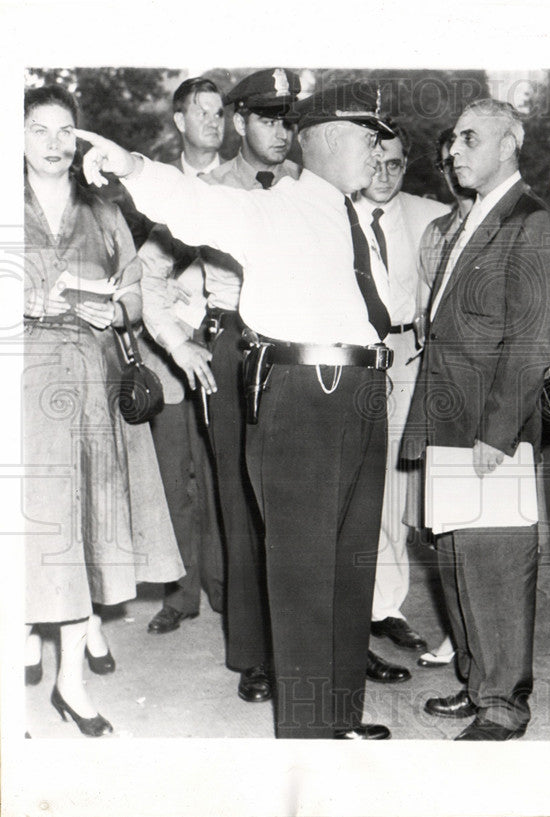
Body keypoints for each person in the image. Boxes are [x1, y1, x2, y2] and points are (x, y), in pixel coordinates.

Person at [77, 79, 398, 741]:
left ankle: (340, 717)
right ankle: (308, 738)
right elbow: (194, 205)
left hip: (361, 391)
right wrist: (133, 167)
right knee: (306, 574)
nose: (379, 149)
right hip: (308, 395)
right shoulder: (276, 206)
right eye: (369, 137)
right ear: (330, 137)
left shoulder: (347, 211)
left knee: (348, 567)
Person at [22, 85, 182, 736]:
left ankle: (70, 683)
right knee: (25, 533)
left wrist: (113, 309)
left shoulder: (104, 207)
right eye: (39, 130)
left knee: (79, 528)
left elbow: (136, 292)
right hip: (19, 380)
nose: (56, 144)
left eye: (67, 131)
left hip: (89, 378)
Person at [401, 99, 550, 740]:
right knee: (457, 555)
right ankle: (477, 684)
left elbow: (530, 343)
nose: (454, 150)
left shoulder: (531, 221)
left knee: (494, 561)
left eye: (470, 138)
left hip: (488, 428)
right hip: (447, 415)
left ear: (508, 144)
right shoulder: (473, 218)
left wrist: (497, 434)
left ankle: (503, 705)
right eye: (454, 140)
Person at [141, 69, 302, 704]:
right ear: (238, 123)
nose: (281, 131)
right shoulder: (208, 192)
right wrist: (179, 343)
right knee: (241, 503)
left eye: (288, 119)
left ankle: (322, 640)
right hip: (235, 346)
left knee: (305, 503)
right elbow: (149, 273)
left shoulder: (309, 188)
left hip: (303, 349)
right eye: (266, 117)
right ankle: (254, 652)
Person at [354, 123, 448, 666]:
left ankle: (387, 605)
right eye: (376, 164)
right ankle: (350, 601)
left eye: (396, 164)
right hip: (349, 360)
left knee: (395, 488)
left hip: (409, 357)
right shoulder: (336, 211)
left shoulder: (431, 215)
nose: (385, 176)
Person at [139, 77, 227, 637]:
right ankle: (181, 592)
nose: (213, 122)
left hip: (227, 351)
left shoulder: (248, 187)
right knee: (178, 477)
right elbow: (142, 268)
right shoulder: (155, 187)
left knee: (226, 475)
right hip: (168, 358)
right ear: (179, 121)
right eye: (201, 112)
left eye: (220, 113)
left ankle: (228, 587)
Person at [411, 128, 477, 671]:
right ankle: (460, 636)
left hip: (491, 399)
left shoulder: (508, 222)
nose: (456, 168)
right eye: (447, 162)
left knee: (489, 532)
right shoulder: (436, 232)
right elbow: (423, 319)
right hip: (442, 393)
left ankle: (488, 653)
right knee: (442, 527)